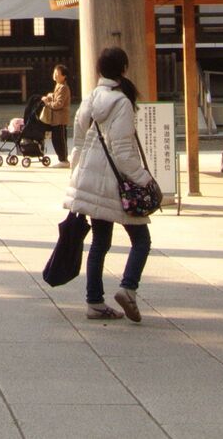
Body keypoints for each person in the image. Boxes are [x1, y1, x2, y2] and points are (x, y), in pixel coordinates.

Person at [63, 47, 155, 324]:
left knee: (100, 242)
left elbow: (78, 140)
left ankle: (94, 302)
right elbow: (123, 150)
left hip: (91, 177)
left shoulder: (91, 97)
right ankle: (128, 288)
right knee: (141, 239)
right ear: (124, 68)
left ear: (99, 71)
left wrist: (76, 174)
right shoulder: (122, 103)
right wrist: (145, 180)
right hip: (116, 182)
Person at [40, 64, 73, 166]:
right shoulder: (58, 86)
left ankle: (64, 160)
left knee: (60, 140)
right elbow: (56, 97)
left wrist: (47, 103)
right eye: (54, 73)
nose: (55, 75)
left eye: (57, 74)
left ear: (64, 76)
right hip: (55, 119)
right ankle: (61, 159)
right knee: (55, 139)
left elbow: (59, 104)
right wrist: (51, 96)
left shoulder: (63, 88)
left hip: (61, 119)